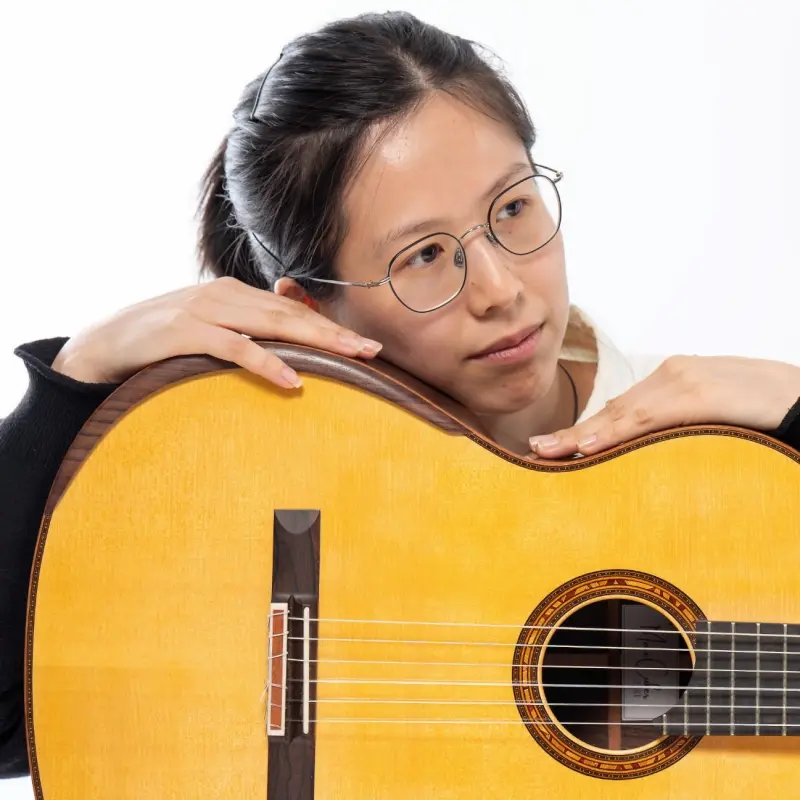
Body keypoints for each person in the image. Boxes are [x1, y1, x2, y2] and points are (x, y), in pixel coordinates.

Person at [1, 10, 798, 780]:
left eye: (514, 208)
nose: (498, 287)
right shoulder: (234, 470)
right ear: (308, 309)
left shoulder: (735, 467)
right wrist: (72, 388)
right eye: (423, 256)